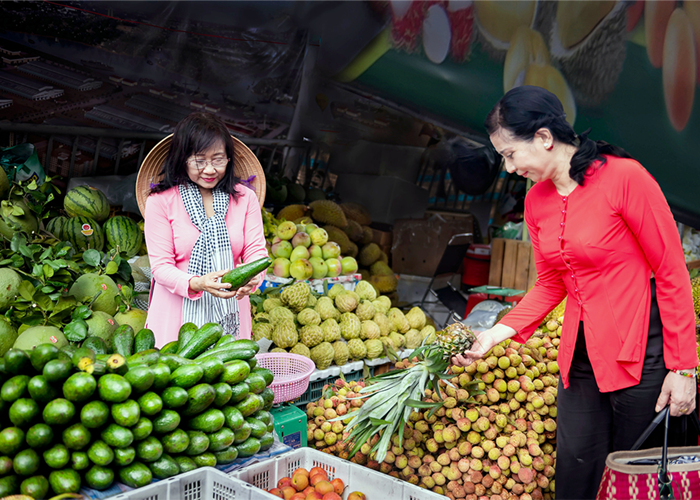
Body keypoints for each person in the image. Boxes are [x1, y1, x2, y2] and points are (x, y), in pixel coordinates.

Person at [452, 86, 698, 500]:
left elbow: (671, 271)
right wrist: (492, 335)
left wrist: (684, 369)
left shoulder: (625, 178)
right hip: (580, 359)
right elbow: (550, 283)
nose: (509, 169)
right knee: (576, 469)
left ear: (545, 138)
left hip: (642, 354)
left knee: (637, 477)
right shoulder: (537, 201)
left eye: (511, 154)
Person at [141, 112, 268, 347]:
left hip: (231, 313)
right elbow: (160, 267)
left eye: (218, 159)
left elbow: (256, 253)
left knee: (231, 378)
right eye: (199, 161)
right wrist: (199, 283)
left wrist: (253, 278)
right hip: (175, 316)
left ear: (229, 159)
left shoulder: (245, 198)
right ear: (183, 159)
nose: (210, 170)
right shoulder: (160, 202)